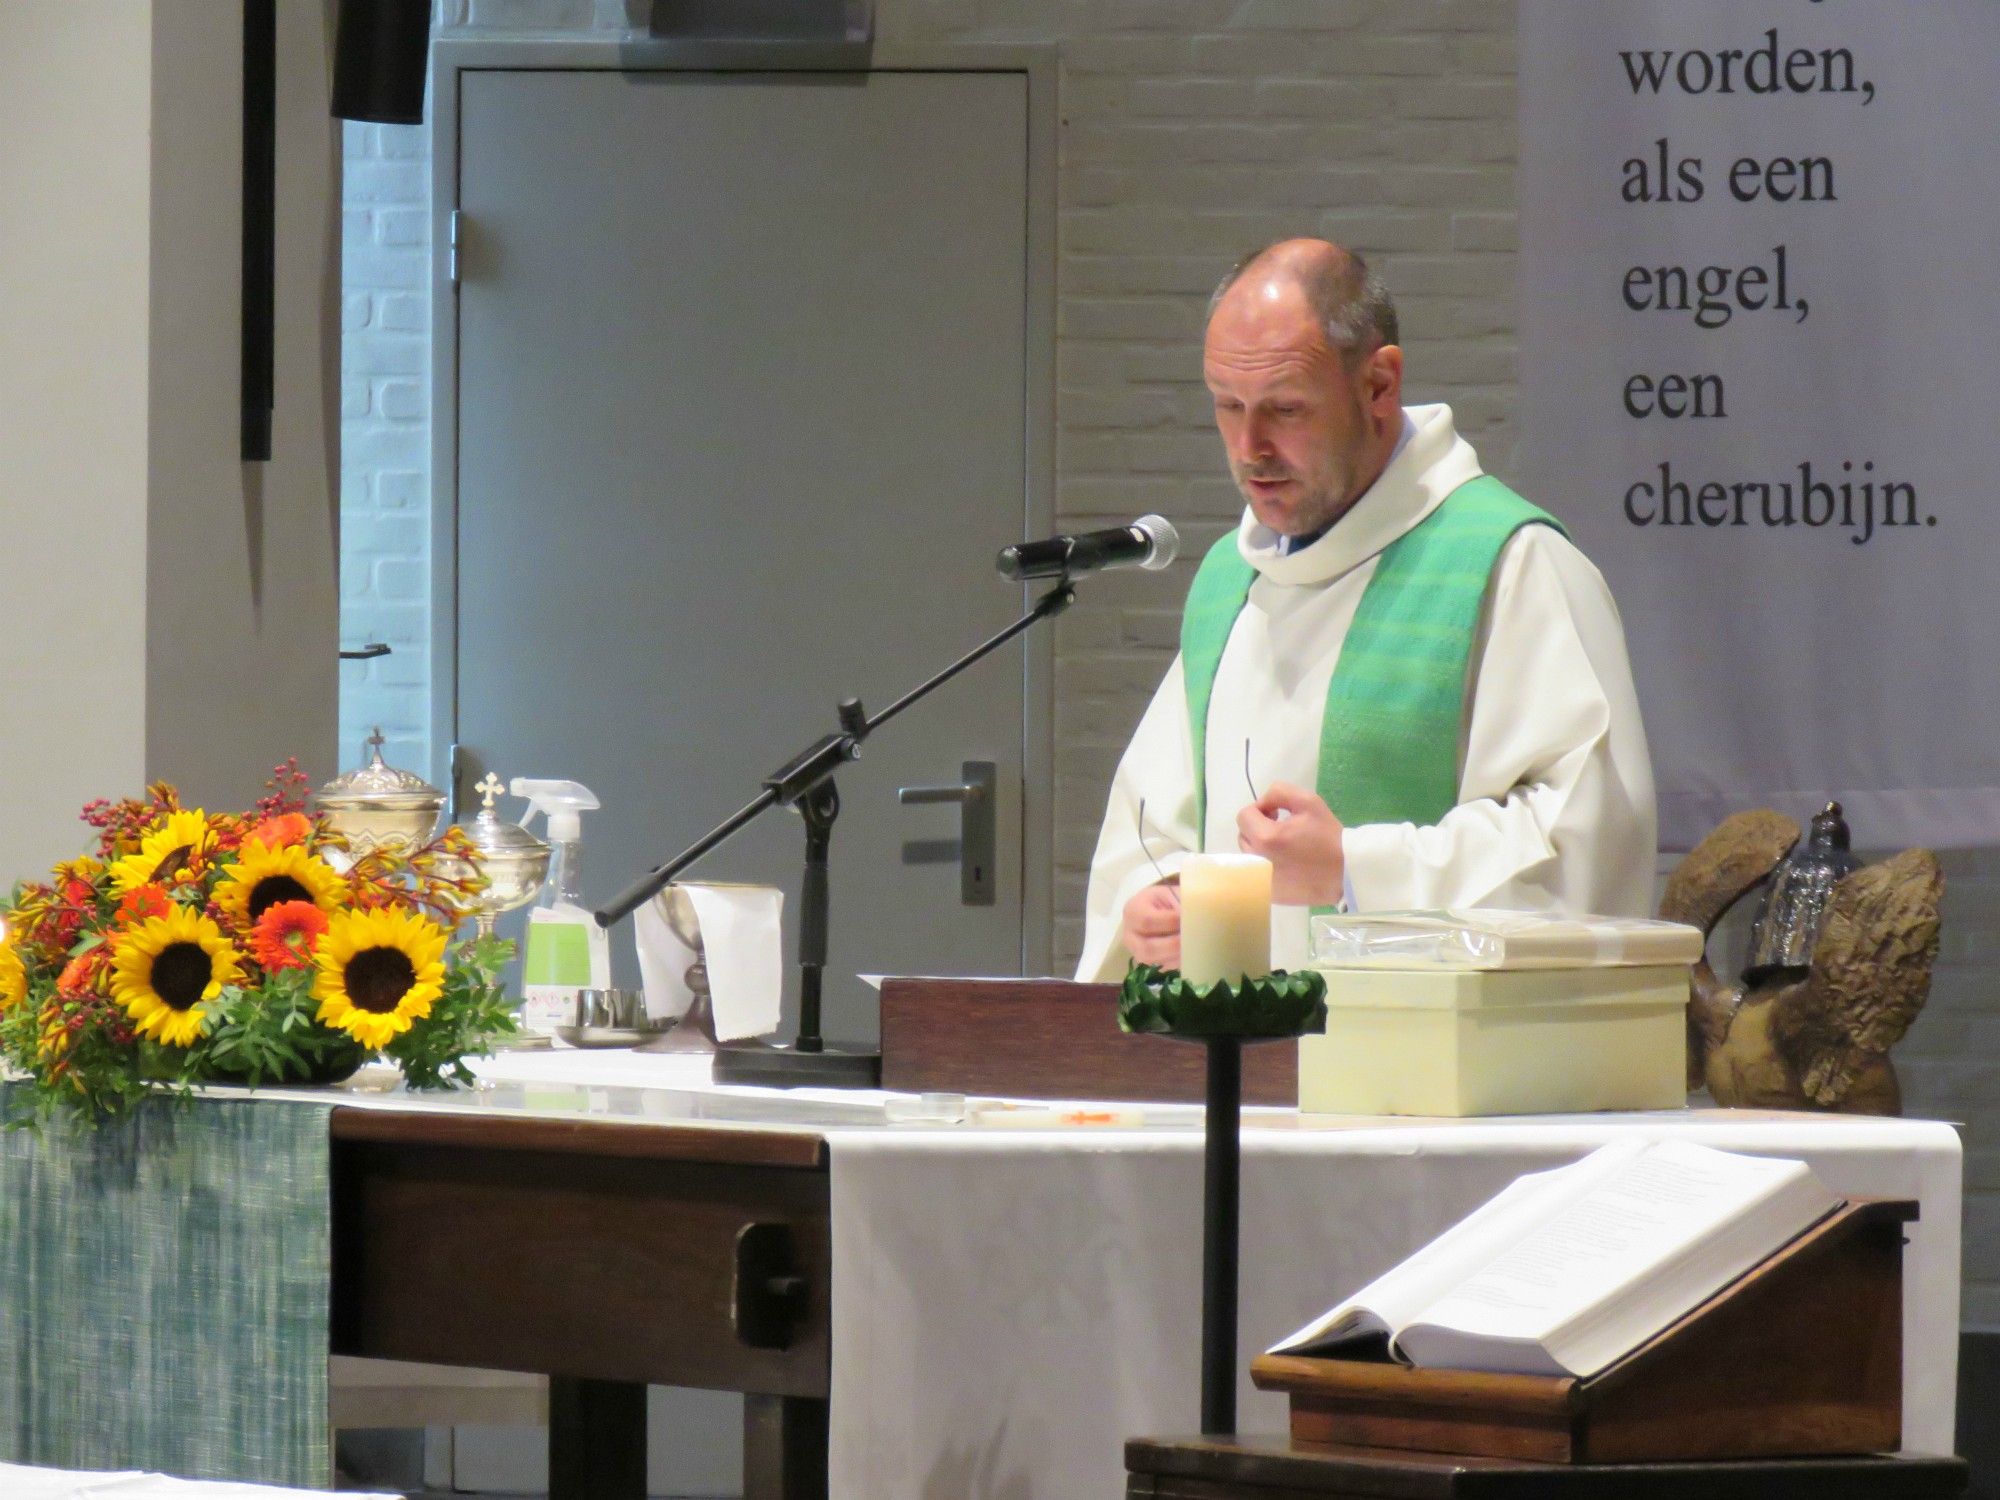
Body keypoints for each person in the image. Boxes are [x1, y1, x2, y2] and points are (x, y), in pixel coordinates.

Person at [1075, 238, 1656, 981]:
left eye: (1285, 409)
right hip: (1242, 1067)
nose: (1250, 448)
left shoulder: (1510, 565)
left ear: (1379, 385)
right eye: (1227, 406)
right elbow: (1150, 826)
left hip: (1428, 1075)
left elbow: (1584, 838)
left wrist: (1353, 871)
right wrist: (1153, 906)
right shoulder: (1232, 582)